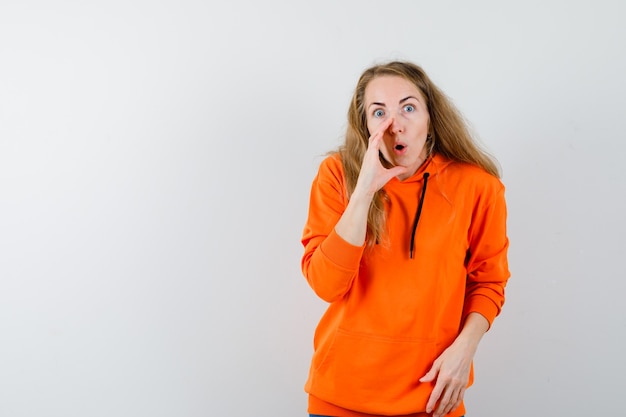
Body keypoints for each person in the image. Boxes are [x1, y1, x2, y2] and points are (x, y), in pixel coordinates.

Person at [300, 61, 510, 417]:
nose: (394, 124)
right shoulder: (337, 174)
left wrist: (464, 352)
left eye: (408, 108)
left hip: (433, 396)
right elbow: (326, 285)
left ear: (431, 117)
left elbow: (489, 282)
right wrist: (363, 192)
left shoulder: (478, 187)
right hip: (341, 396)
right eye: (378, 112)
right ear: (365, 125)